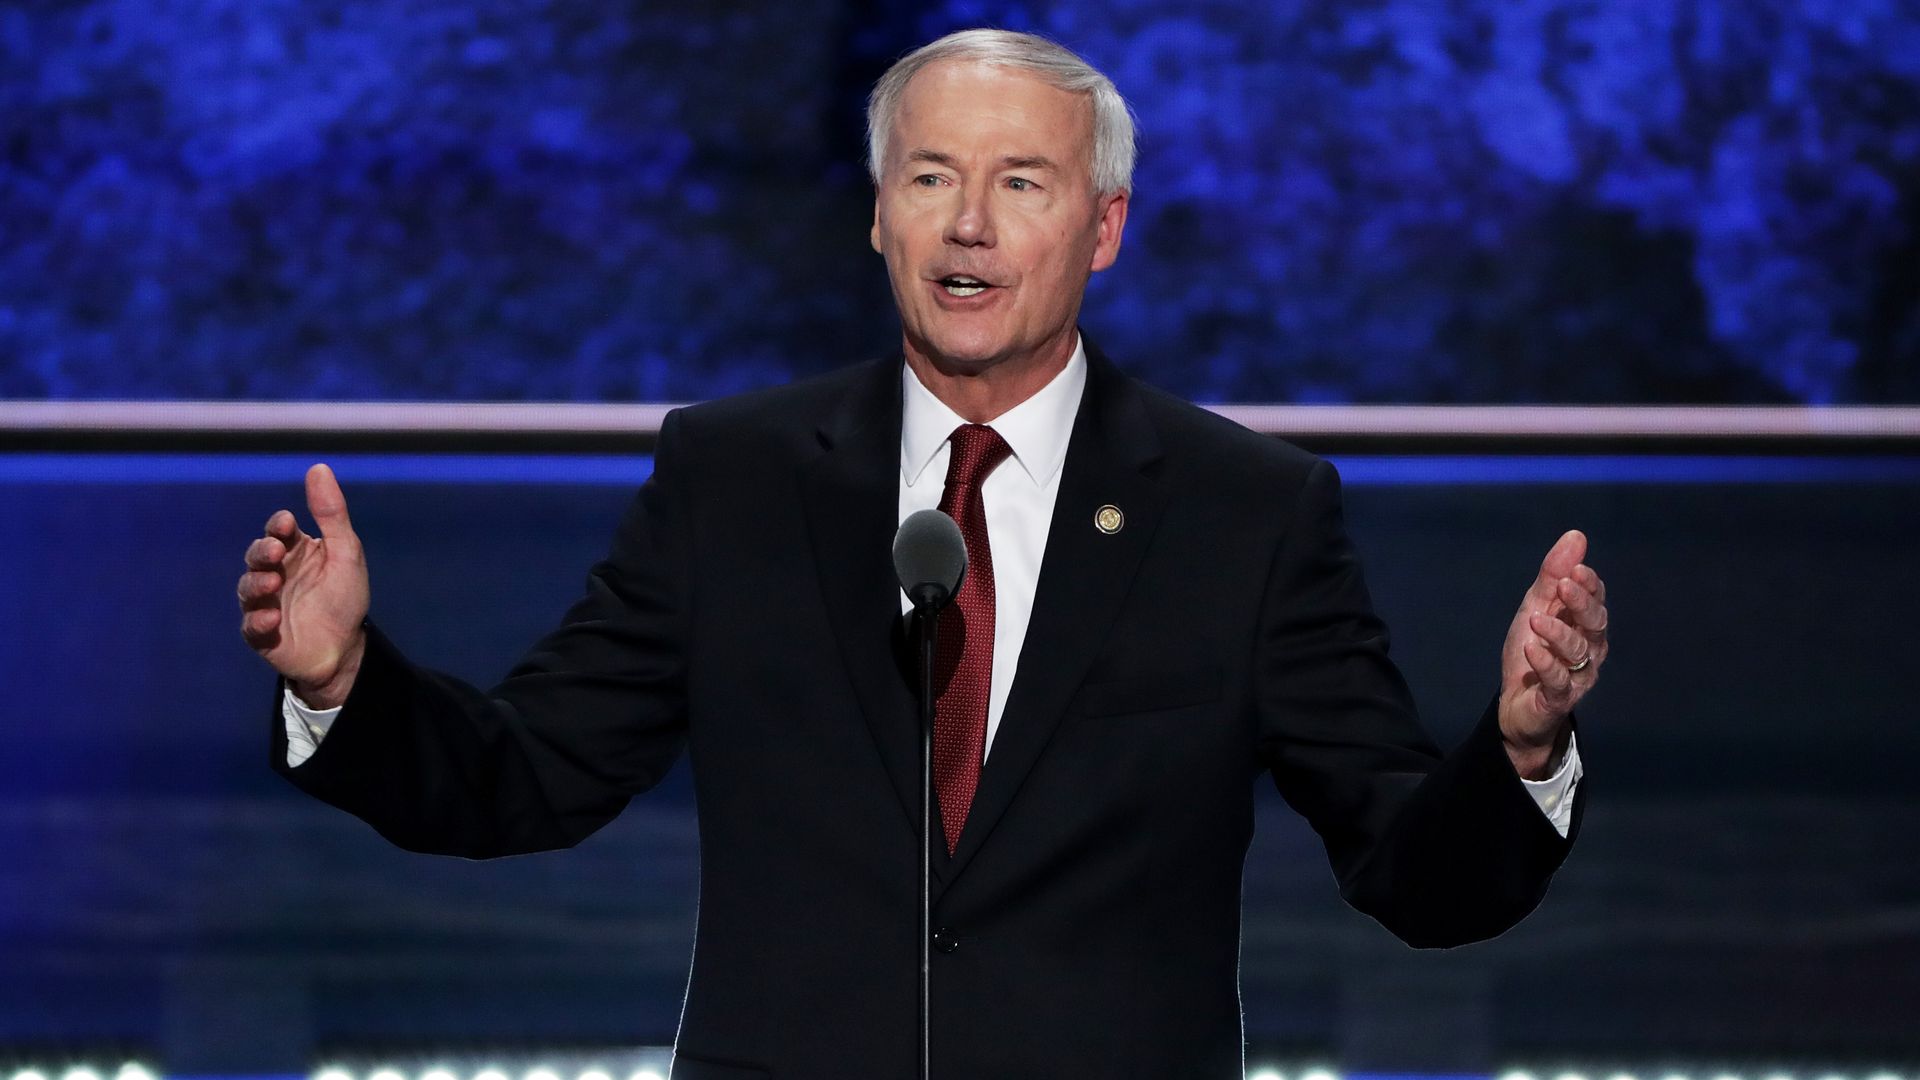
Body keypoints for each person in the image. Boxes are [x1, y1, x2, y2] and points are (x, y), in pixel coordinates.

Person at [236, 29, 1608, 1080]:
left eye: (1022, 183)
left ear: (1105, 227)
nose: (969, 224)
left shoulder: (1244, 510)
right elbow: (523, 777)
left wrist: (1523, 747)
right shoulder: (735, 480)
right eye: (932, 177)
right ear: (881, 214)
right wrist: (343, 680)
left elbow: (1413, 874)